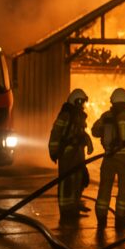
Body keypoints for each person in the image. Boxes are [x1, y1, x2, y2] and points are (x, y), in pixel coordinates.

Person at [91, 87, 125, 231]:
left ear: (112, 101)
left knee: (104, 188)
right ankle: (121, 218)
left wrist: (104, 131)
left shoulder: (105, 116)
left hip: (108, 158)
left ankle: (101, 219)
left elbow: (95, 131)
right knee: (124, 189)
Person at [47, 88, 93, 223]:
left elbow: (80, 133)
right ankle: (66, 211)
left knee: (79, 180)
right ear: (76, 101)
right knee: (66, 182)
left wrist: (88, 142)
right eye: (82, 102)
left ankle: (74, 206)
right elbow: (55, 133)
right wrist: (54, 151)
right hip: (67, 154)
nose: (83, 105)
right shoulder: (66, 115)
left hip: (77, 153)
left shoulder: (78, 115)